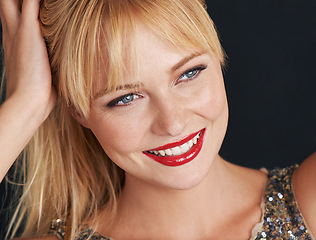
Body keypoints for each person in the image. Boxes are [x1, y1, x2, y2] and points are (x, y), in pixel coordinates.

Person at [0, 0, 315, 239]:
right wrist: (26, 103)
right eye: (125, 98)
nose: (172, 123)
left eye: (188, 73)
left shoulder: (308, 203)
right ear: (77, 110)